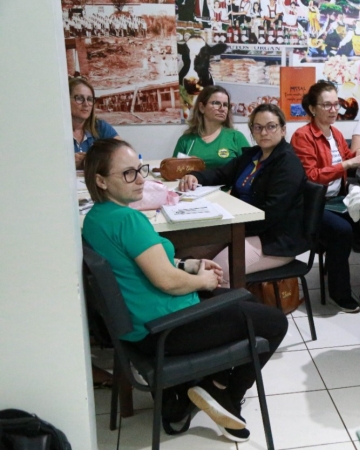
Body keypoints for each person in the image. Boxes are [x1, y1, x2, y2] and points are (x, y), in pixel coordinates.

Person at [82, 138, 287, 443]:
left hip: (139, 330)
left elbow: (142, 264)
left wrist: (187, 264)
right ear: (100, 180)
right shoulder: (128, 220)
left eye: (140, 170)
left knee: (229, 301)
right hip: (166, 331)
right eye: (128, 174)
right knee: (274, 323)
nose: (140, 180)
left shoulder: (95, 219)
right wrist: (202, 281)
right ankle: (224, 392)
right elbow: (167, 281)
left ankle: (186, 395)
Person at [291, 81, 360, 313]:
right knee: (342, 232)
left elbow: (346, 156)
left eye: (336, 104)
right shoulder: (302, 136)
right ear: (313, 108)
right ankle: (339, 292)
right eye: (327, 105)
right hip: (314, 205)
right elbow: (311, 176)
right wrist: (348, 162)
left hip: (338, 200)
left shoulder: (335, 132)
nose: (334, 109)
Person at [178, 104, 310, 275]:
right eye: (258, 127)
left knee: (216, 270)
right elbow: (221, 174)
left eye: (271, 126)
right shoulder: (252, 155)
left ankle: (226, 301)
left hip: (274, 239)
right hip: (241, 226)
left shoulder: (288, 163)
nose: (264, 132)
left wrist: (230, 230)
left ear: (283, 130)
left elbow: (271, 213)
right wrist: (196, 177)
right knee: (185, 255)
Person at [172, 85, 250, 169]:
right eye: (216, 103)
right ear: (202, 107)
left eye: (225, 105)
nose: (222, 108)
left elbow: (251, 170)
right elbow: (174, 172)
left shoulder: (236, 137)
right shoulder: (186, 140)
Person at [70, 77, 119, 170]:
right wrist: (68, 162)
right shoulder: (56, 130)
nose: (86, 104)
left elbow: (122, 153)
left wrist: (89, 160)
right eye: (79, 98)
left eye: (89, 99)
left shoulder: (100, 126)